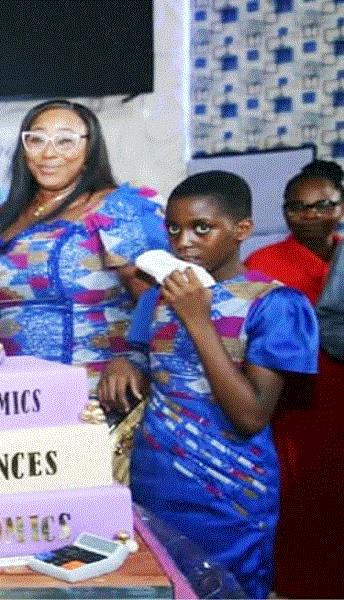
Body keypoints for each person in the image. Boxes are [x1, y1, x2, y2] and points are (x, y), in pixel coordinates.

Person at [97, 170, 318, 599]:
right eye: (173, 229)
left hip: (229, 493)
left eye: (202, 228)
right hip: (155, 481)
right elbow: (146, 357)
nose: (184, 243)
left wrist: (198, 319)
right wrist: (125, 362)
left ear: (242, 229)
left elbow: (250, 415)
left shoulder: (275, 304)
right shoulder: (156, 297)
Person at [0, 99, 169, 394]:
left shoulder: (118, 208)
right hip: (12, 397)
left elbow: (160, 300)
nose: (49, 153)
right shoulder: (5, 214)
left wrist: (135, 361)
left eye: (65, 141)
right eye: (36, 140)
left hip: (96, 394)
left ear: (90, 149)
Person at [243, 159, 343, 599]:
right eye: (298, 206)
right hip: (295, 397)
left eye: (323, 205)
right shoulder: (265, 262)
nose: (310, 215)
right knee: (300, 492)